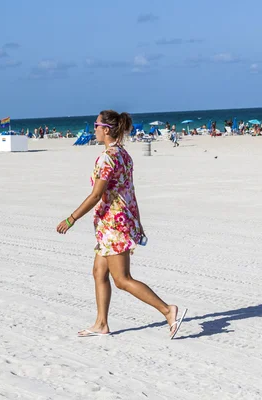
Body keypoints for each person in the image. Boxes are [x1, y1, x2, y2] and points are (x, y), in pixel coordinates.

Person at [56, 109, 187, 339]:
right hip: (115, 223)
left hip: (114, 225)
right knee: (98, 272)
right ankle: (101, 324)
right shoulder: (124, 155)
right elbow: (130, 193)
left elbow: (96, 195)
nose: (94, 129)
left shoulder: (108, 158)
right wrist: (137, 221)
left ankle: (168, 310)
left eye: (95, 125)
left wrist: (72, 218)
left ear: (106, 129)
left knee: (122, 280)